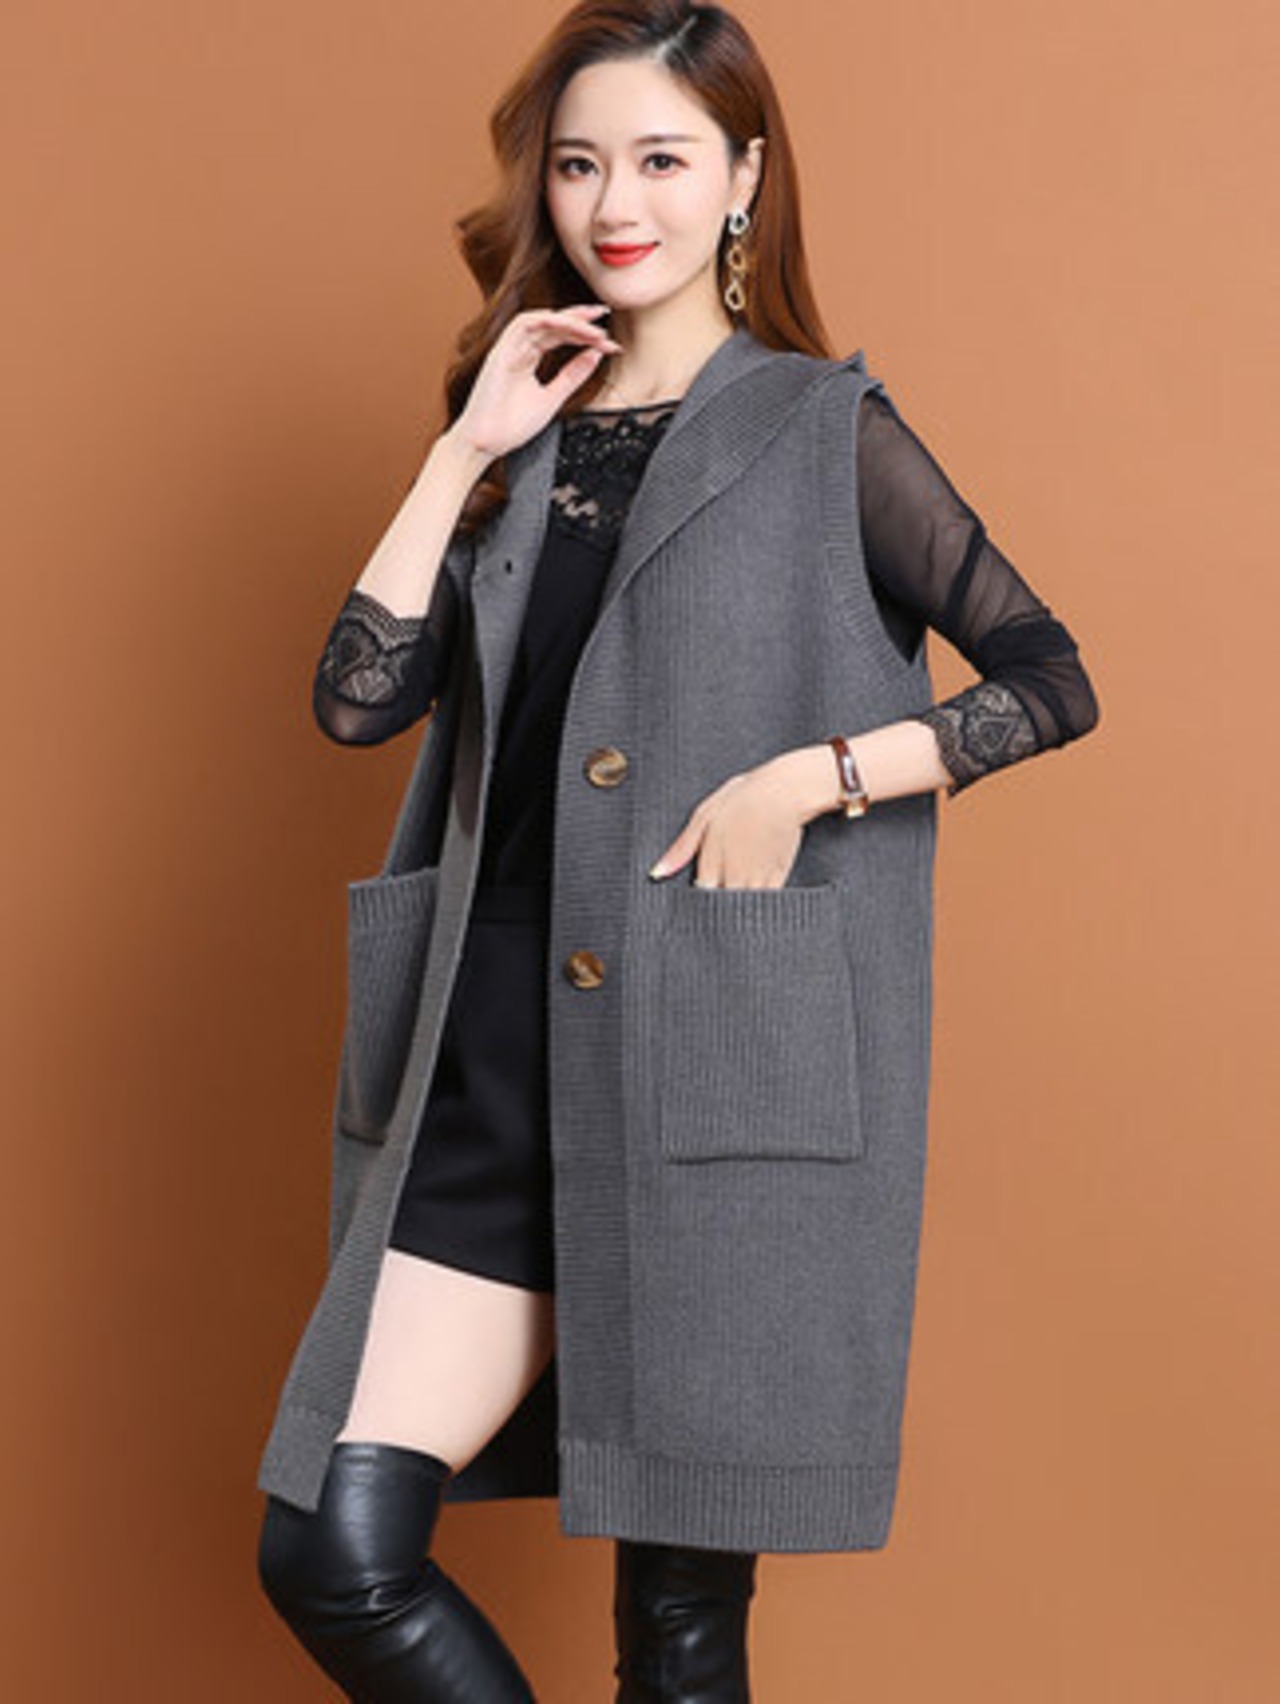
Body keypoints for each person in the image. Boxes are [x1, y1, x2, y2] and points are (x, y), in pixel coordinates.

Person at [256, 2, 1101, 1698]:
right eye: (579, 165)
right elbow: (360, 701)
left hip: (712, 1058)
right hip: (490, 1060)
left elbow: (1048, 680)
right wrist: (466, 447)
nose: (613, 203)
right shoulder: (522, 429)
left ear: (743, 177)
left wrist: (812, 779)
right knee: (332, 1549)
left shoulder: (819, 426)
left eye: (660, 158)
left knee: (681, 1629)